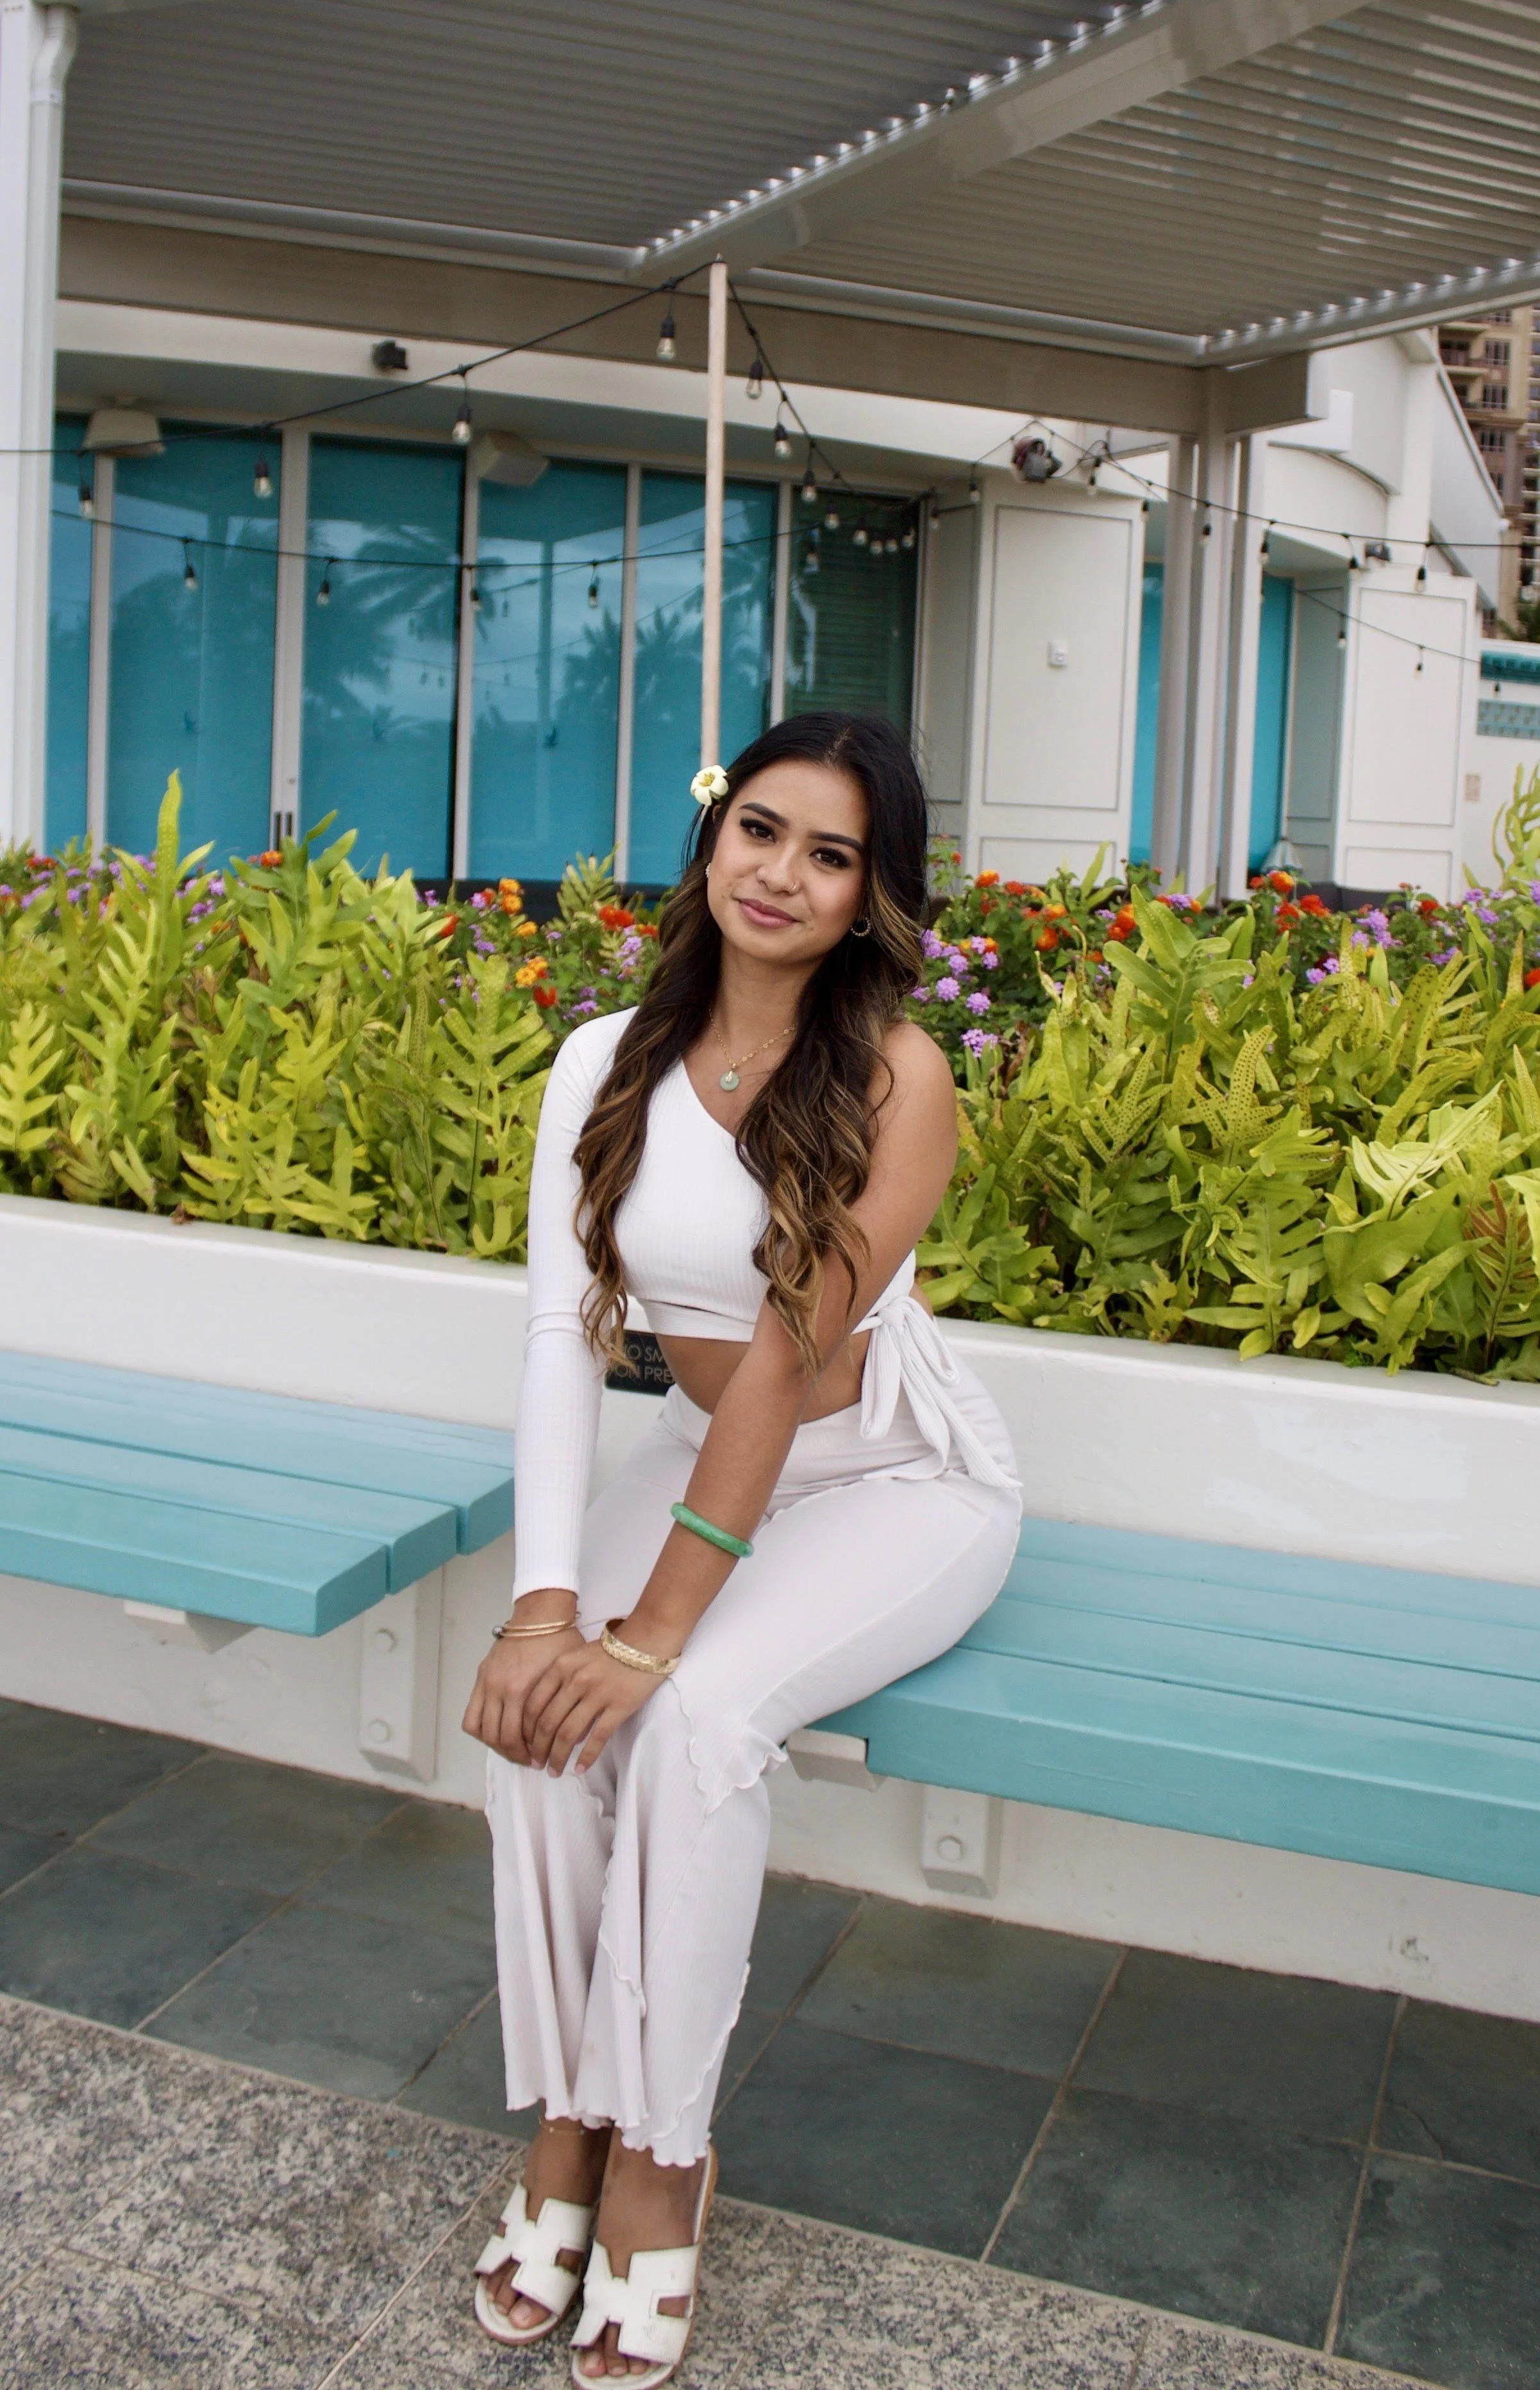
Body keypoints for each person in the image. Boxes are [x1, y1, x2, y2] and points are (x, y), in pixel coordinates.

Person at [462, 710, 1021, 2387]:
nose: (783, 872)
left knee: (694, 1718)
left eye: (831, 853)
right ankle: (569, 2111)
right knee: (536, 1705)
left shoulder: (897, 1075)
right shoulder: (602, 1055)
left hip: (893, 1478)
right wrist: (552, 1603)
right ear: (713, 844)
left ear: (871, 896)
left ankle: (659, 2160)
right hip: (698, 1450)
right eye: (762, 829)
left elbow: (788, 1355)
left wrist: (658, 1631)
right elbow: (565, 1333)